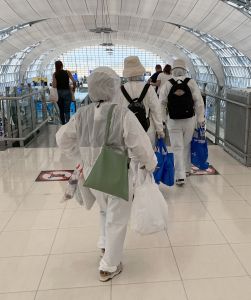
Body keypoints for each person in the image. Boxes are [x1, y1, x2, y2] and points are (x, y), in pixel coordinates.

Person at [56, 67, 157, 281]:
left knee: (104, 211)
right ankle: (109, 266)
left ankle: (104, 245)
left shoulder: (81, 114)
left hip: (92, 174)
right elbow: (140, 144)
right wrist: (150, 164)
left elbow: (61, 138)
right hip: (116, 171)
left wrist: (80, 156)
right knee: (117, 218)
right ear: (113, 88)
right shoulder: (122, 114)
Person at [159, 59, 205, 185]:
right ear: (185, 69)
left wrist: (162, 120)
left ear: (173, 70)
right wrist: (201, 118)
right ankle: (186, 170)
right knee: (186, 144)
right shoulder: (191, 82)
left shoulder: (168, 84)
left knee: (177, 147)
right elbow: (198, 102)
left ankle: (179, 176)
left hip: (173, 120)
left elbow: (161, 103)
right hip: (189, 119)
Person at [120, 56, 164, 145]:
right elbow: (156, 110)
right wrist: (160, 129)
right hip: (147, 129)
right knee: (148, 157)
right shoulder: (148, 88)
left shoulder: (121, 89)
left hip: (128, 130)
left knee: (131, 157)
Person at [52, 60, 76, 124]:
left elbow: (54, 86)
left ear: (56, 66)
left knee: (61, 110)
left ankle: (63, 124)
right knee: (67, 110)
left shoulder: (55, 74)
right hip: (67, 92)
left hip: (58, 93)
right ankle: (68, 124)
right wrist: (73, 89)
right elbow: (74, 81)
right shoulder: (67, 72)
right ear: (62, 65)